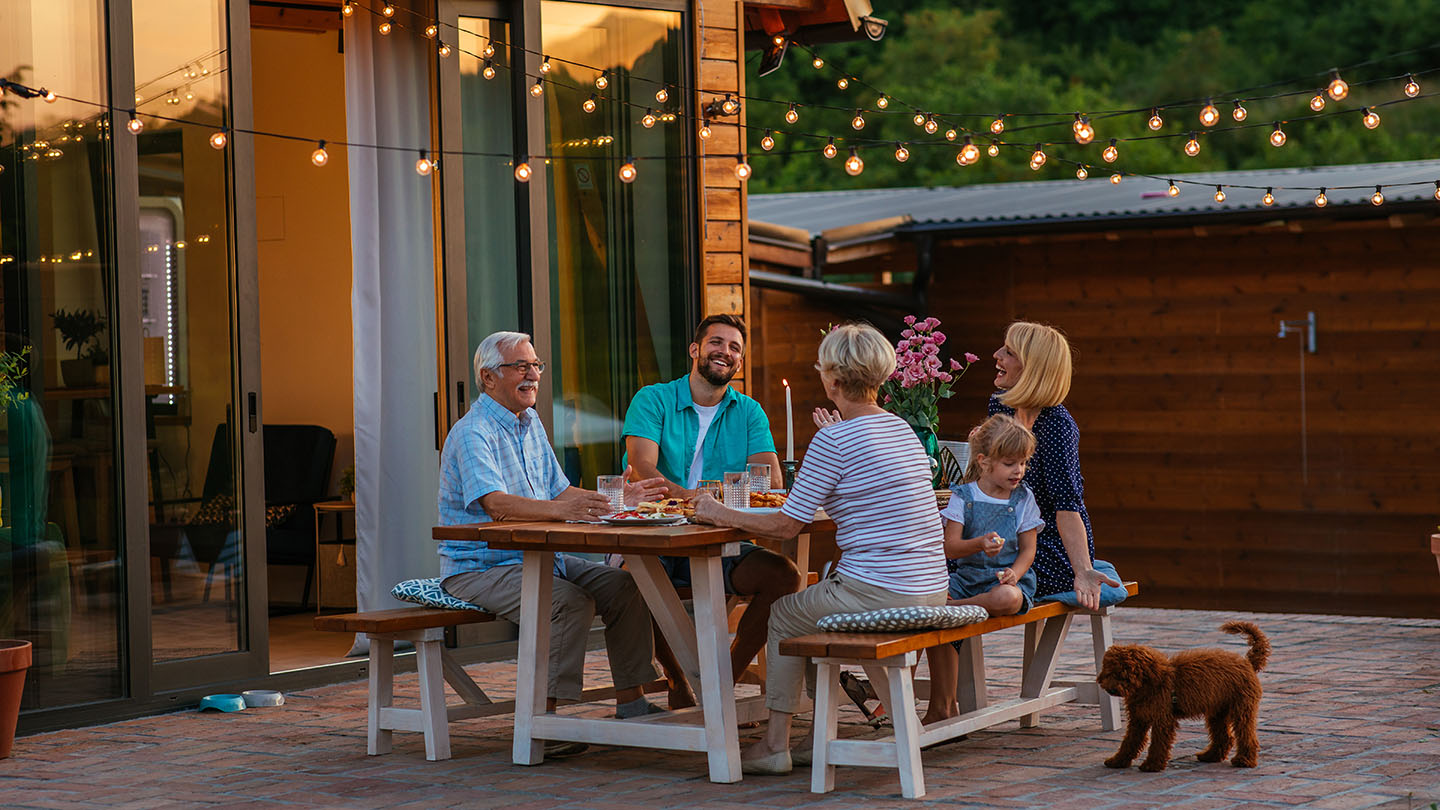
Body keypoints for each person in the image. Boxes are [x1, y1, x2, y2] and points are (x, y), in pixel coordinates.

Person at [693, 322, 949, 775]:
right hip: (931, 587)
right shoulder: (902, 430)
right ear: (881, 377)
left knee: (785, 613)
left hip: (881, 592)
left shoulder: (833, 440)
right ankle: (816, 736)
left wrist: (719, 513)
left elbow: (787, 523)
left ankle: (775, 745)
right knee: (810, 609)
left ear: (831, 380)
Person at [437, 331, 668, 756]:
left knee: (625, 586)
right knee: (566, 601)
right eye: (520, 366)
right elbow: (498, 505)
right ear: (488, 378)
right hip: (479, 569)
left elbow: (560, 494)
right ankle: (543, 721)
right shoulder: (473, 432)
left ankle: (632, 704)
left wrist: (616, 500)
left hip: (542, 558)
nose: (532, 374)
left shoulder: (529, 423)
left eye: (536, 365)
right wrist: (570, 512)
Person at [622, 314, 802, 703]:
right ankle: (677, 679)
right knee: (631, 579)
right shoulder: (653, 399)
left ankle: (722, 685)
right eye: (716, 343)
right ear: (695, 349)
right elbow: (643, 468)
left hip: (721, 542)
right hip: (659, 536)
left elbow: (769, 482)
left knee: (785, 576)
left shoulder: (749, 411)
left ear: (740, 361)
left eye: (734, 347)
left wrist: (715, 506)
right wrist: (698, 502)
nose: (725, 352)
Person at [986, 321, 1119, 611]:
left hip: (1048, 546)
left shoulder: (1057, 426)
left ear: (1033, 367)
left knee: (971, 576)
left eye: (1008, 352)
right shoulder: (1000, 406)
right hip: (1006, 531)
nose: (997, 355)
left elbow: (1067, 507)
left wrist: (1083, 571)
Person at [922, 413, 1042, 725]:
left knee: (1008, 599)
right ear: (984, 462)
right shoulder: (964, 496)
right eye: (1010, 463)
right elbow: (950, 547)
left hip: (1004, 580)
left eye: (1023, 463)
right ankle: (943, 706)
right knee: (933, 607)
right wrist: (979, 544)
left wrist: (1015, 572)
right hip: (968, 577)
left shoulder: (1023, 498)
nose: (1019, 471)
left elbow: (1028, 549)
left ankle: (955, 609)